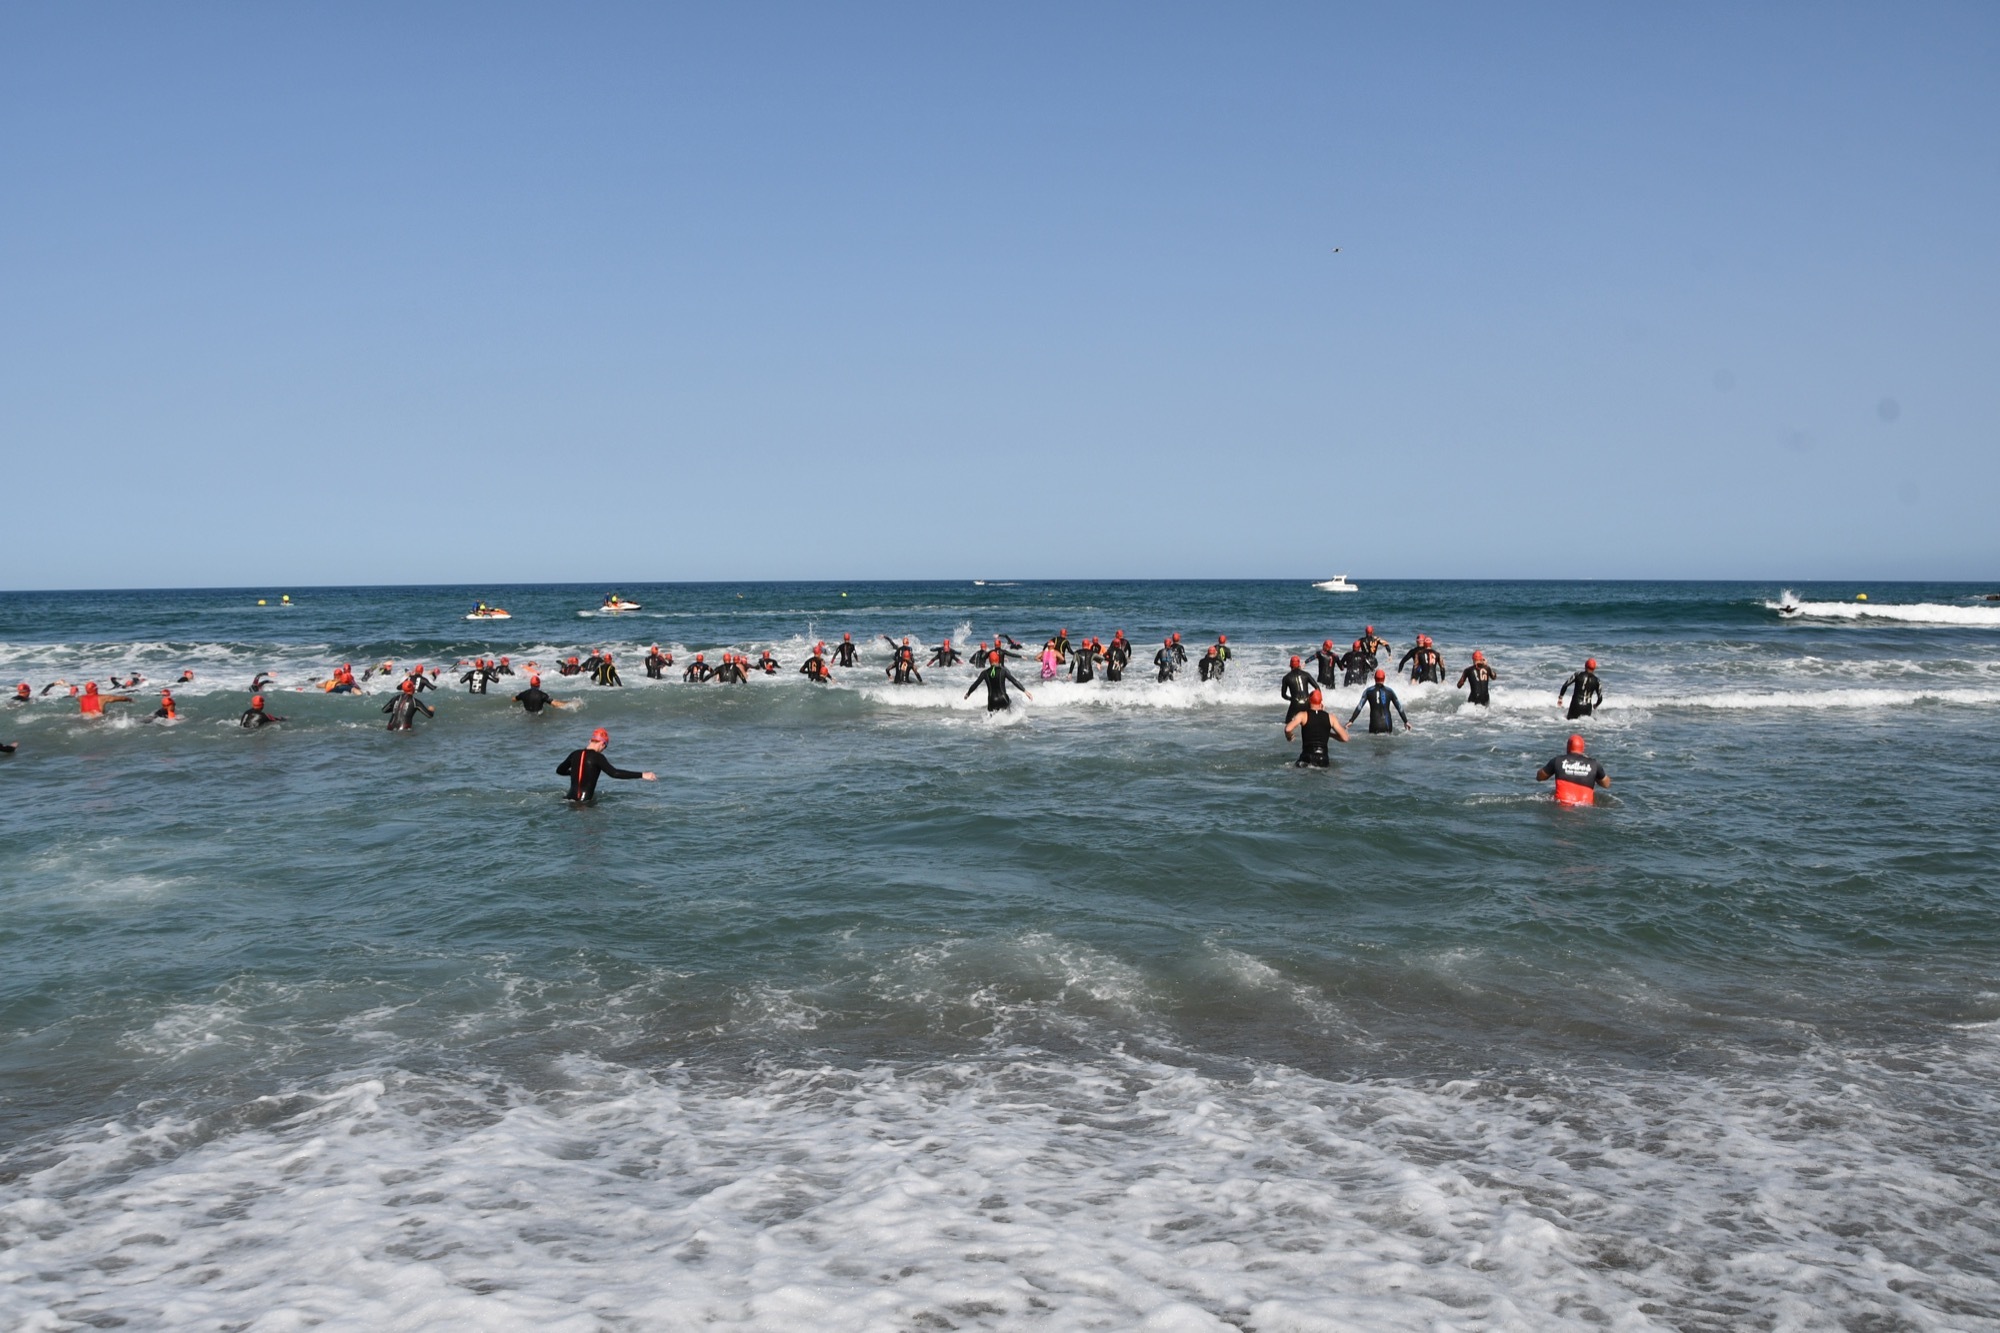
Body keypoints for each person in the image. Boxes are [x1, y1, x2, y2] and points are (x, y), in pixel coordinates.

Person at [557, 727, 656, 801]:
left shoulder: (575, 754)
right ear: (602, 743)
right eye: (605, 747)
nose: (603, 750)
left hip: (568, 800)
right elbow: (615, 773)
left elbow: (560, 770)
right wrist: (642, 775)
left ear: (590, 740)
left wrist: (574, 772)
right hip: (584, 804)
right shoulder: (597, 757)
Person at [1537, 734, 1610, 806]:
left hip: (1562, 805)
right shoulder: (1594, 764)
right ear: (1583, 748)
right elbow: (1606, 784)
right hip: (1585, 807)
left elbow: (1540, 777)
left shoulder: (1557, 761)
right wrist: (1593, 774)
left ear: (1567, 747)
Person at [1283, 689, 1349, 766]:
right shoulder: (1331, 717)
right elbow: (1345, 738)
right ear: (1321, 702)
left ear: (1309, 701)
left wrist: (1289, 736)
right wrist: (1330, 734)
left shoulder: (1303, 715)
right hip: (1323, 758)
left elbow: (1288, 729)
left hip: (1307, 757)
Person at [964, 649, 1032, 712]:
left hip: (992, 701)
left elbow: (975, 684)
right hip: (1003, 699)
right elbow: (1014, 681)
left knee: (991, 718)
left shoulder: (984, 673)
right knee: (1009, 707)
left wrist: (968, 693)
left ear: (989, 661)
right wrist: (1025, 691)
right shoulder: (1003, 671)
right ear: (998, 660)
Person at [1349, 668, 1409, 734]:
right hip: (1387, 726)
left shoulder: (1368, 691)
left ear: (1374, 678)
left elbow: (1359, 707)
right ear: (1384, 678)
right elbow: (1399, 708)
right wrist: (1406, 721)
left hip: (1374, 726)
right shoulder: (1390, 691)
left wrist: (1351, 720)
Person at [1279, 655, 1317, 720]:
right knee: (1309, 722)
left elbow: (1283, 695)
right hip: (1306, 702)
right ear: (1299, 664)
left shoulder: (1286, 677)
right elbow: (1317, 688)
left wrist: (1291, 699)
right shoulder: (1306, 674)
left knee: (1288, 723)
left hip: (1295, 703)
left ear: (1290, 665)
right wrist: (1311, 698)